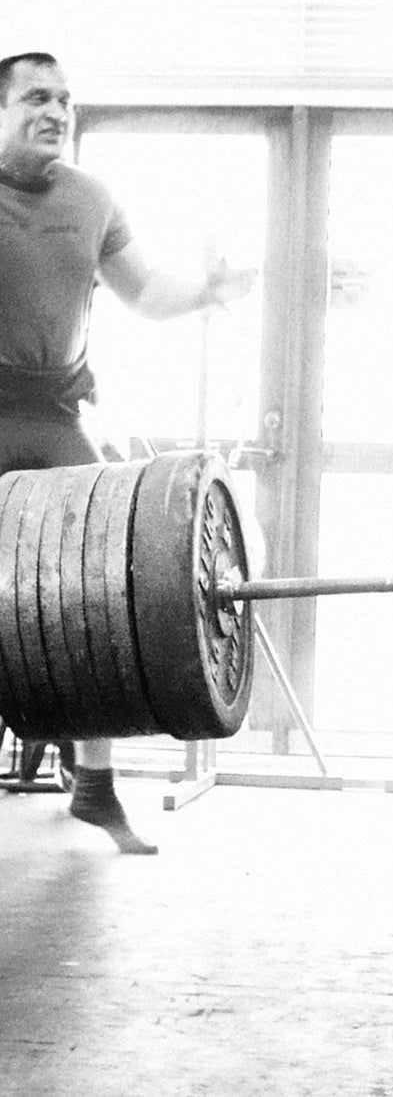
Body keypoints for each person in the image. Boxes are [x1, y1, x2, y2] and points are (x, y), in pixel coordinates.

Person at [0, 51, 256, 854]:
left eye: (66, 100)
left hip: (53, 412)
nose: (57, 111)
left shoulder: (90, 197)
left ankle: (95, 789)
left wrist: (211, 289)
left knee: (93, 586)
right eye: (37, 97)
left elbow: (144, 291)